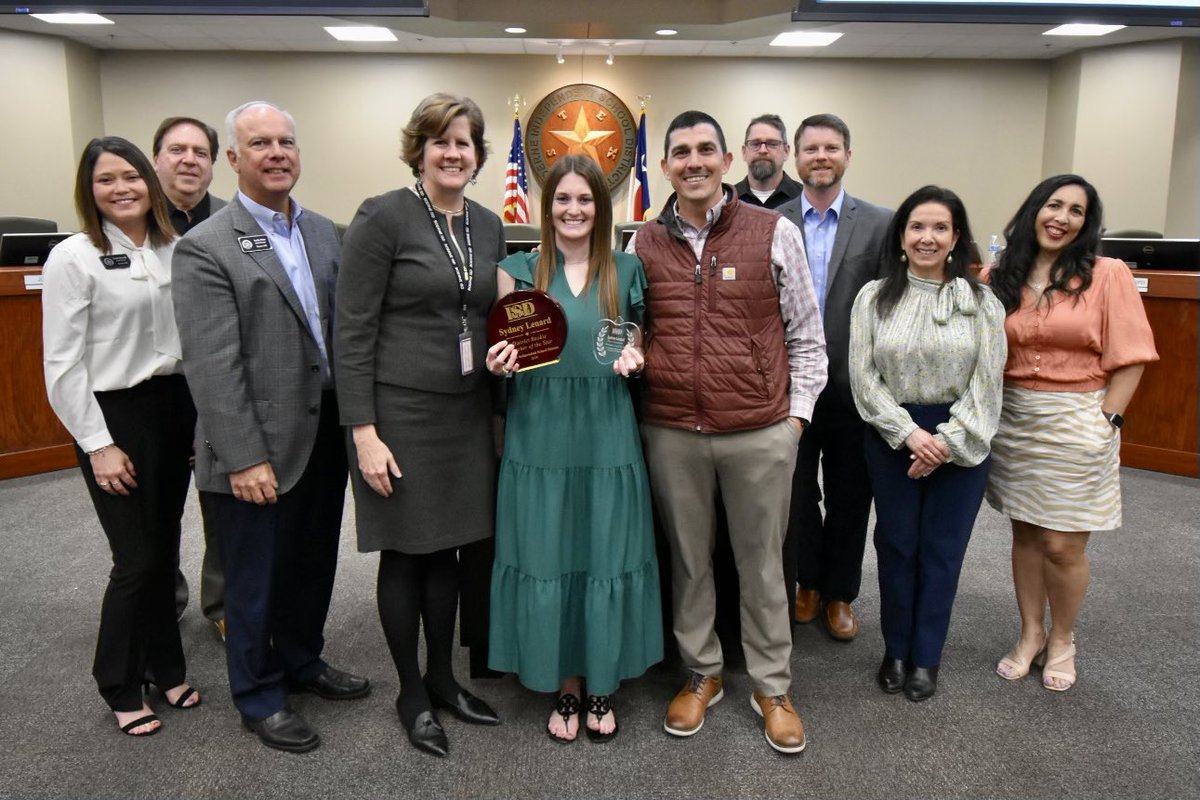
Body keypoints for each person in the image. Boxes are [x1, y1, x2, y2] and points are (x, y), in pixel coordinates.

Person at [173, 101, 369, 754]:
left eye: (286, 141)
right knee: (253, 579)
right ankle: (258, 695)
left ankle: (302, 661)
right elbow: (212, 362)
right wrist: (243, 456)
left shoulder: (322, 232)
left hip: (321, 436)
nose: (277, 152)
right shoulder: (205, 248)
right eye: (260, 143)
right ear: (233, 158)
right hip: (255, 447)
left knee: (311, 566)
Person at [628, 110, 827, 754]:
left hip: (758, 432)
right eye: (680, 152)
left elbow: (807, 338)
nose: (694, 161)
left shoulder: (775, 231)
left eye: (706, 150)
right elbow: (633, 330)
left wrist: (794, 424)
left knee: (762, 566)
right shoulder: (642, 243)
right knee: (688, 564)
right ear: (664, 166)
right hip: (671, 431)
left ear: (727, 161)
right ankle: (702, 671)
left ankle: (771, 685)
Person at [335, 93, 504, 759]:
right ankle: (411, 691)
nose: (453, 152)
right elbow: (351, 330)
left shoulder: (487, 225)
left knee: (453, 552)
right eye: (441, 142)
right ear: (421, 150)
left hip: (464, 416)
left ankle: (444, 679)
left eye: (464, 142)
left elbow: (491, 311)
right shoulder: (383, 217)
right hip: (397, 415)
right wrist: (363, 431)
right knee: (408, 552)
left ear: (478, 155)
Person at [485, 155, 663, 745]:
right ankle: (565, 684)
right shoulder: (518, 269)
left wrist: (636, 359)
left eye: (585, 200)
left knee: (604, 553)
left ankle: (603, 681)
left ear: (601, 208)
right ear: (547, 206)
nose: (573, 210)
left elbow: (632, 342)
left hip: (607, 434)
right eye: (562, 199)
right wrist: (497, 366)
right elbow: (504, 351)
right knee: (549, 553)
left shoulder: (628, 269)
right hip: (540, 435)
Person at [42, 136, 201, 737]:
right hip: (114, 416)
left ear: (149, 183)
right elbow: (61, 365)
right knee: (134, 559)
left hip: (174, 405)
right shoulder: (73, 256)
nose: (122, 188)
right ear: (90, 191)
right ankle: (119, 682)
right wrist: (97, 443)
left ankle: (166, 667)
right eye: (107, 180)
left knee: (163, 550)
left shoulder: (174, 249)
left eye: (131, 177)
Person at [985, 175, 1157, 692]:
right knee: (1026, 533)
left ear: (1087, 223)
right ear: (1034, 209)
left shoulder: (1108, 274)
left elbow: (1132, 357)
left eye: (1077, 211)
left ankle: (1063, 637)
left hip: (1079, 417)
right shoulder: (1000, 273)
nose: (1062, 217)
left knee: (1063, 543)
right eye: (1053, 205)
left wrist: (1108, 421)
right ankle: (1031, 632)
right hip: (1013, 419)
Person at [848, 185, 1007, 702]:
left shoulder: (982, 301)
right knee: (896, 547)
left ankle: (926, 657)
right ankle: (895, 650)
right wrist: (909, 435)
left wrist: (945, 442)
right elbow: (862, 377)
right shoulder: (873, 296)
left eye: (940, 227)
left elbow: (988, 382)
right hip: (892, 435)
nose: (927, 237)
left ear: (956, 237)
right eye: (917, 226)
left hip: (960, 440)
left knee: (941, 551)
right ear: (901, 236)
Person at [778, 113, 891, 640]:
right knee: (797, 493)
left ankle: (841, 593)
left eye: (831, 148)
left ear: (848, 155)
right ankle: (808, 582)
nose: (820, 157)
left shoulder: (881, 224)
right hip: (790, 388)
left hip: (855, 386)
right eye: (810, 149)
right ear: (794, 158)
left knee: (851, 493)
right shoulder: (773, 222)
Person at [151, 115, 228, 637]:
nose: (188, 161)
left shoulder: (230, 220)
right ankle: (163, 597)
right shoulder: (134, 219)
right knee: (158, 502)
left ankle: (222, 604)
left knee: (221, 497)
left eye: (200, 152)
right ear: (155, 158)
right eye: (176, 150)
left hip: (216, 380)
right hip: (160, 386)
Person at [733, 114, 802, 210]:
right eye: (755, 143)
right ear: (744, 152)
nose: (763, 150)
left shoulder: (804, 199)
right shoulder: (728, 200)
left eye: (772, 144)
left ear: (786, 151)